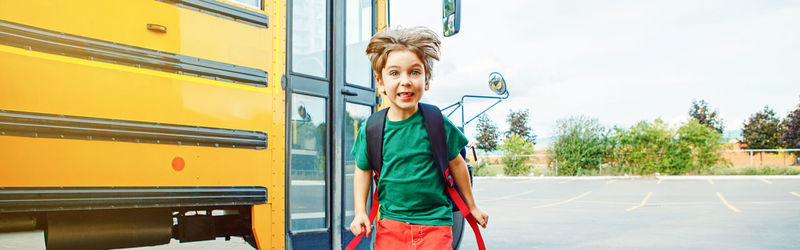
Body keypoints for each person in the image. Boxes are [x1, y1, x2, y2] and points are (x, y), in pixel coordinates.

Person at [349, 26, 489, 249]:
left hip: (436, 225)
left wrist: (471, 206)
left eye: (414, 72)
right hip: (391, 225)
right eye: (394, 73)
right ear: (381, 83)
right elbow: (362, 169)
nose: (405, 81)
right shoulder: (371, 129)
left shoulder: (437, 122)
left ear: (426, 81)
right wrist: (360, 212)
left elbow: (457, 164)